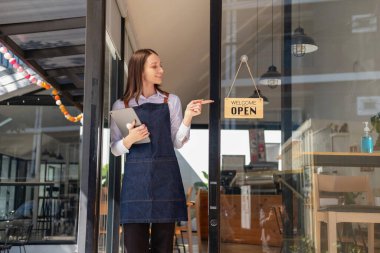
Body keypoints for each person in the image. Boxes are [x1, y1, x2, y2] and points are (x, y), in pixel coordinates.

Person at [110, 48, 212, 253]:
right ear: (139, 71)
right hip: (135, 181)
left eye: (161, 65)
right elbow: (114, 149)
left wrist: (188, 117)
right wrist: (129, 140)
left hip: (165, 179)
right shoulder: (122, 105)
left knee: (163, 246)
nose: (161, 70)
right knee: (134, 245)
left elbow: (177, 142)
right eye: (154, 66)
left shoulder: (170, 101)